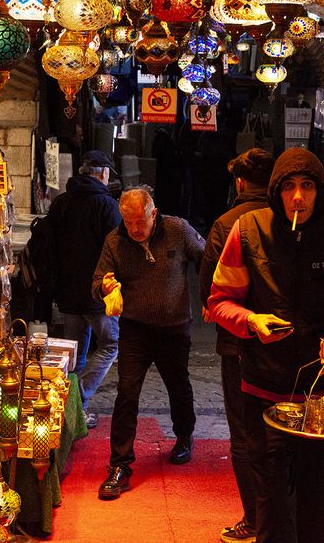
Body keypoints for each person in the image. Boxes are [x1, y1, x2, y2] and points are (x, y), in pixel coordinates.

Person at [207, 148, 324, 543]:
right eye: (289, 187)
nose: (297, 197)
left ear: (320, 190)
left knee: (319, 503)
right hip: (264, 391)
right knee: (271, 505)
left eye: (307, 186)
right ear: (276, 191)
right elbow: (218, 301)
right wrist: (250, 321)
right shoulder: (248, 230)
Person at [92, 187, 205, 500]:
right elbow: (97, 280)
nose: (134, 229)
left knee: (178, 386)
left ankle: (184, 436)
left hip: (174, 327)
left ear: (154, 213)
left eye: (139, 221)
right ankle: (120, 465)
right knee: (126, 393)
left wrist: (209, 295)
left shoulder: (178, 230)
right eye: (128, 222)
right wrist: (104, 286)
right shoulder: (115, 240)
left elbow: (208, 257)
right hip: (135, 330)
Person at [199, 148, 274, 543]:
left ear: (240, 183)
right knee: (283, 428)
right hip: (284, 342)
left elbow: (208, 288)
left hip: (239, 343)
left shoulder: (228, 223)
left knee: (245, 433)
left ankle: (255, 518)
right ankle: (281, 514)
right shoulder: (293, 221)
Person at [46, 150, 122, 429]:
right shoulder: (106, 205)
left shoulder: (61, 202)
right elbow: (117, 249)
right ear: (102, 173)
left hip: (67, 290)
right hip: (97, 292)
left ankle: (72, 411)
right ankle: (76, 400)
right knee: (110, 345)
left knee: (74, 353)